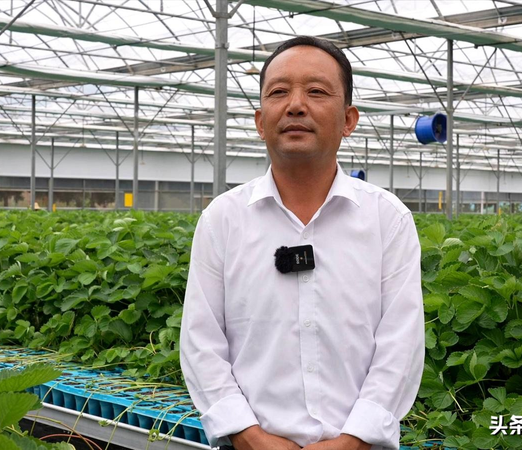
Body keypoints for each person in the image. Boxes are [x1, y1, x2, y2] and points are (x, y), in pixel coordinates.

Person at [180, 36, 424, 450]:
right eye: (279, 92)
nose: (295, 105)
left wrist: (353, 440)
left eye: (316, 91)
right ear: (260, 121)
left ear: (349, 120)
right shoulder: (222, 220)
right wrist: (248, 435)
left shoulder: (387, 219)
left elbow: (401, 343)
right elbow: (201, 342)